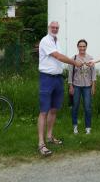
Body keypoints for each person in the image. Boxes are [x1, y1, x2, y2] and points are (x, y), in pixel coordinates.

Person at [38, 21, 82, 156]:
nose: (55, 29)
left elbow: (59, 58)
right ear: (48, 28)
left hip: (57, 78)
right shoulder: (46, 41)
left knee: (54, 110)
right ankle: (41, 143)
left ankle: (50, 137)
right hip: (46, 78)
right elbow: (57, 56)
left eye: (57, 28)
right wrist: (74, 62)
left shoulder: (57, 41)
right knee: (44, 111)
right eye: (53, 27)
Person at [68, 39, 96, 135]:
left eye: (84, 46)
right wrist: (70, 86)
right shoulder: (74, 58)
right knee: (75, 107)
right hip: (76, 86)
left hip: (87, 86)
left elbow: (93, 73)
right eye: (80, 46)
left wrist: (93, 86)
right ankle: (75, 126)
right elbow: (70, 73)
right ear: (78, 47)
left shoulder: (90, 58)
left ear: (86, 47)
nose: (82, 48)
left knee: (87, 107)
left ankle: (88, 128)